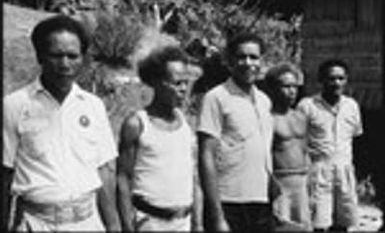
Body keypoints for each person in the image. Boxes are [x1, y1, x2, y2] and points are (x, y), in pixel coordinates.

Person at [2, 15, 120, 231]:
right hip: (37, 223)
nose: (65, 64)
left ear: (82, 58)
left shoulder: (93, 106)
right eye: (56, 55)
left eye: (72, 56)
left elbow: (104, 169)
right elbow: (5, 173)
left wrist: (113, 224)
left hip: (87, 221)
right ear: (40, 56)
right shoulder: (14, 105)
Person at [197, 32, 274, 232]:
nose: (248, 63)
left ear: (262, 61)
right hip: (229, 202)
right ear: (230, 61)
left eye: (254, 57)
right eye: (241, 57)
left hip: (261, 201)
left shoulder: (265, 101)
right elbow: (206, 155)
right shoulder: (216, 98)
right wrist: (217, 216)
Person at [117, 46, 196, 231]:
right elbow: (123, 178)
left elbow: (193, 177)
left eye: (186, 83)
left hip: (183, 222)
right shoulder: (136, 124)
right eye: (176, 83)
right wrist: (128, 226)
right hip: (150, 222)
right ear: (156, 82)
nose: (183, 89)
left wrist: (197, 223)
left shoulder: (185, 124)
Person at [297, 59, 363, 231]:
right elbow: (297, 140)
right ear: (321, 80)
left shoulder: (352, 106)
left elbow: (355, 137)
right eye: (331, 78)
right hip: (318, 171)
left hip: (345, 171)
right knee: (319, 223)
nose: (336, 83)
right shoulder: (307, 106)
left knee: (345, 223)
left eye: (341, 78)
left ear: (346, 80)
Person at [264, 63, 312, 231]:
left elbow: (305, 149)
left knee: (303, 227)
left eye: (294, 86)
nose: (292, 91)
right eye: (286, 86)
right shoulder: (268, 119)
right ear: (273, 88)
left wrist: (309, 178)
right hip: (280, 182)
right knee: (282, 227)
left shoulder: (300, 116)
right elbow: (264, 155)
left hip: (301, 181)